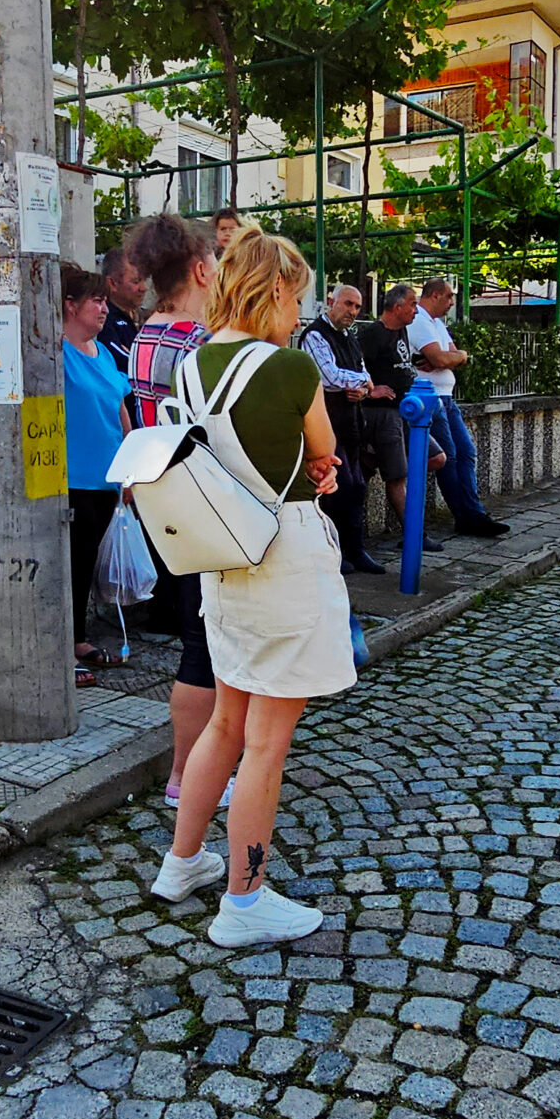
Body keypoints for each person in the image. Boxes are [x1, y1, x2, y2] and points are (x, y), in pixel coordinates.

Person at [148, 232, 354, 948]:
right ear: (271, 291)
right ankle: (245, 900)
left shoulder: (189, 367)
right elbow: (323, 454)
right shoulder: (291, 367)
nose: (298, 313)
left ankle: (181, 864)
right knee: (266, 742)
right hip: (284, 561)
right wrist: (322, 469)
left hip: (222, 559)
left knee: (225, 723)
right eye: (295, 297)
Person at [123, 213, 222, 806]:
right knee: (209, 644)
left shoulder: (142, 336)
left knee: (197, 636)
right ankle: (191, 774)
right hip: (210, 499)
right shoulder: (201, 343)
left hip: (167, 499)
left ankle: (193, 769)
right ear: (202, 268)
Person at [62, 263, 131, 675]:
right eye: (96, 300)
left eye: (105, 300)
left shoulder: (103, 352)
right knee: (68, 565)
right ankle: (65, 647)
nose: (104, 308)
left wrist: (129, 468)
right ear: (70, 305)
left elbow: (121, 408)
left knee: (85, 563)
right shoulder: (53, 350)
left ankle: (78, 637)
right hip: (72, 479)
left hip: (107, 479)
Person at [404, 277, 511, 538]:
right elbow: (442, 357)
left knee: (466, 452)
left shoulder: (438, 324)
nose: (452, 302)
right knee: (449, 457)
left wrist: (456, 357)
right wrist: (450, 358)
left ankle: (472, 513)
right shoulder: (418, 320)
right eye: (449, 296)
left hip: (447, 398)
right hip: (431, 399)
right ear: (435, 295)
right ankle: (467, 516)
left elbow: (455, 355)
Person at [299, 283, 383, 575]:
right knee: (339, 487)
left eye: (357, 307)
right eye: (348, 304)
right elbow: (329, 376)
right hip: (327, 425)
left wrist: (360, 388)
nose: (352, 311)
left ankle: (356, 549)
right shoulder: (315, 336)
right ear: (331, 301)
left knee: (357, 486)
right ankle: (333, 552)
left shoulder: (350, 337)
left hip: (351, 423)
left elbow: (362, 374)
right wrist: (360, 382)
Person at [356, 284, 444, 550]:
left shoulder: (401, 331)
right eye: (412, 304)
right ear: (397, 307)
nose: (416, 310)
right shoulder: (372, 334)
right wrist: (371, 391)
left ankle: (372, 460)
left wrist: (417, 363)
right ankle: (414, 534)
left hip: (408, 410)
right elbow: (352, 367)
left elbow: (397, 361)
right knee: (397, 477)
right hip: (384, 414)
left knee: (437, 458)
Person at [98, 246, 144, 358]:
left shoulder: (144, 317)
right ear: (112, 283)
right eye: (136, 281)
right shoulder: (103, 319)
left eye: (144, 280)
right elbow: (125, 361)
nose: (143, 288)